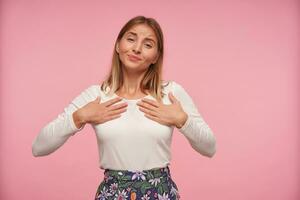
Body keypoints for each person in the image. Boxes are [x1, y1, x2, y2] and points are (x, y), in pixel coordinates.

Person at [32, 15, 216, 200]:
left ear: (156, 57)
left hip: (161, 194)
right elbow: (39, 147)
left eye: (148, 44)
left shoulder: (171, 93)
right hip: (112, 194)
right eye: (131, 39)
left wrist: (182, 120)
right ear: (118, 45)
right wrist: (79, 117)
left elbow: (210, 148)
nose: (136, 48)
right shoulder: (97, 95)